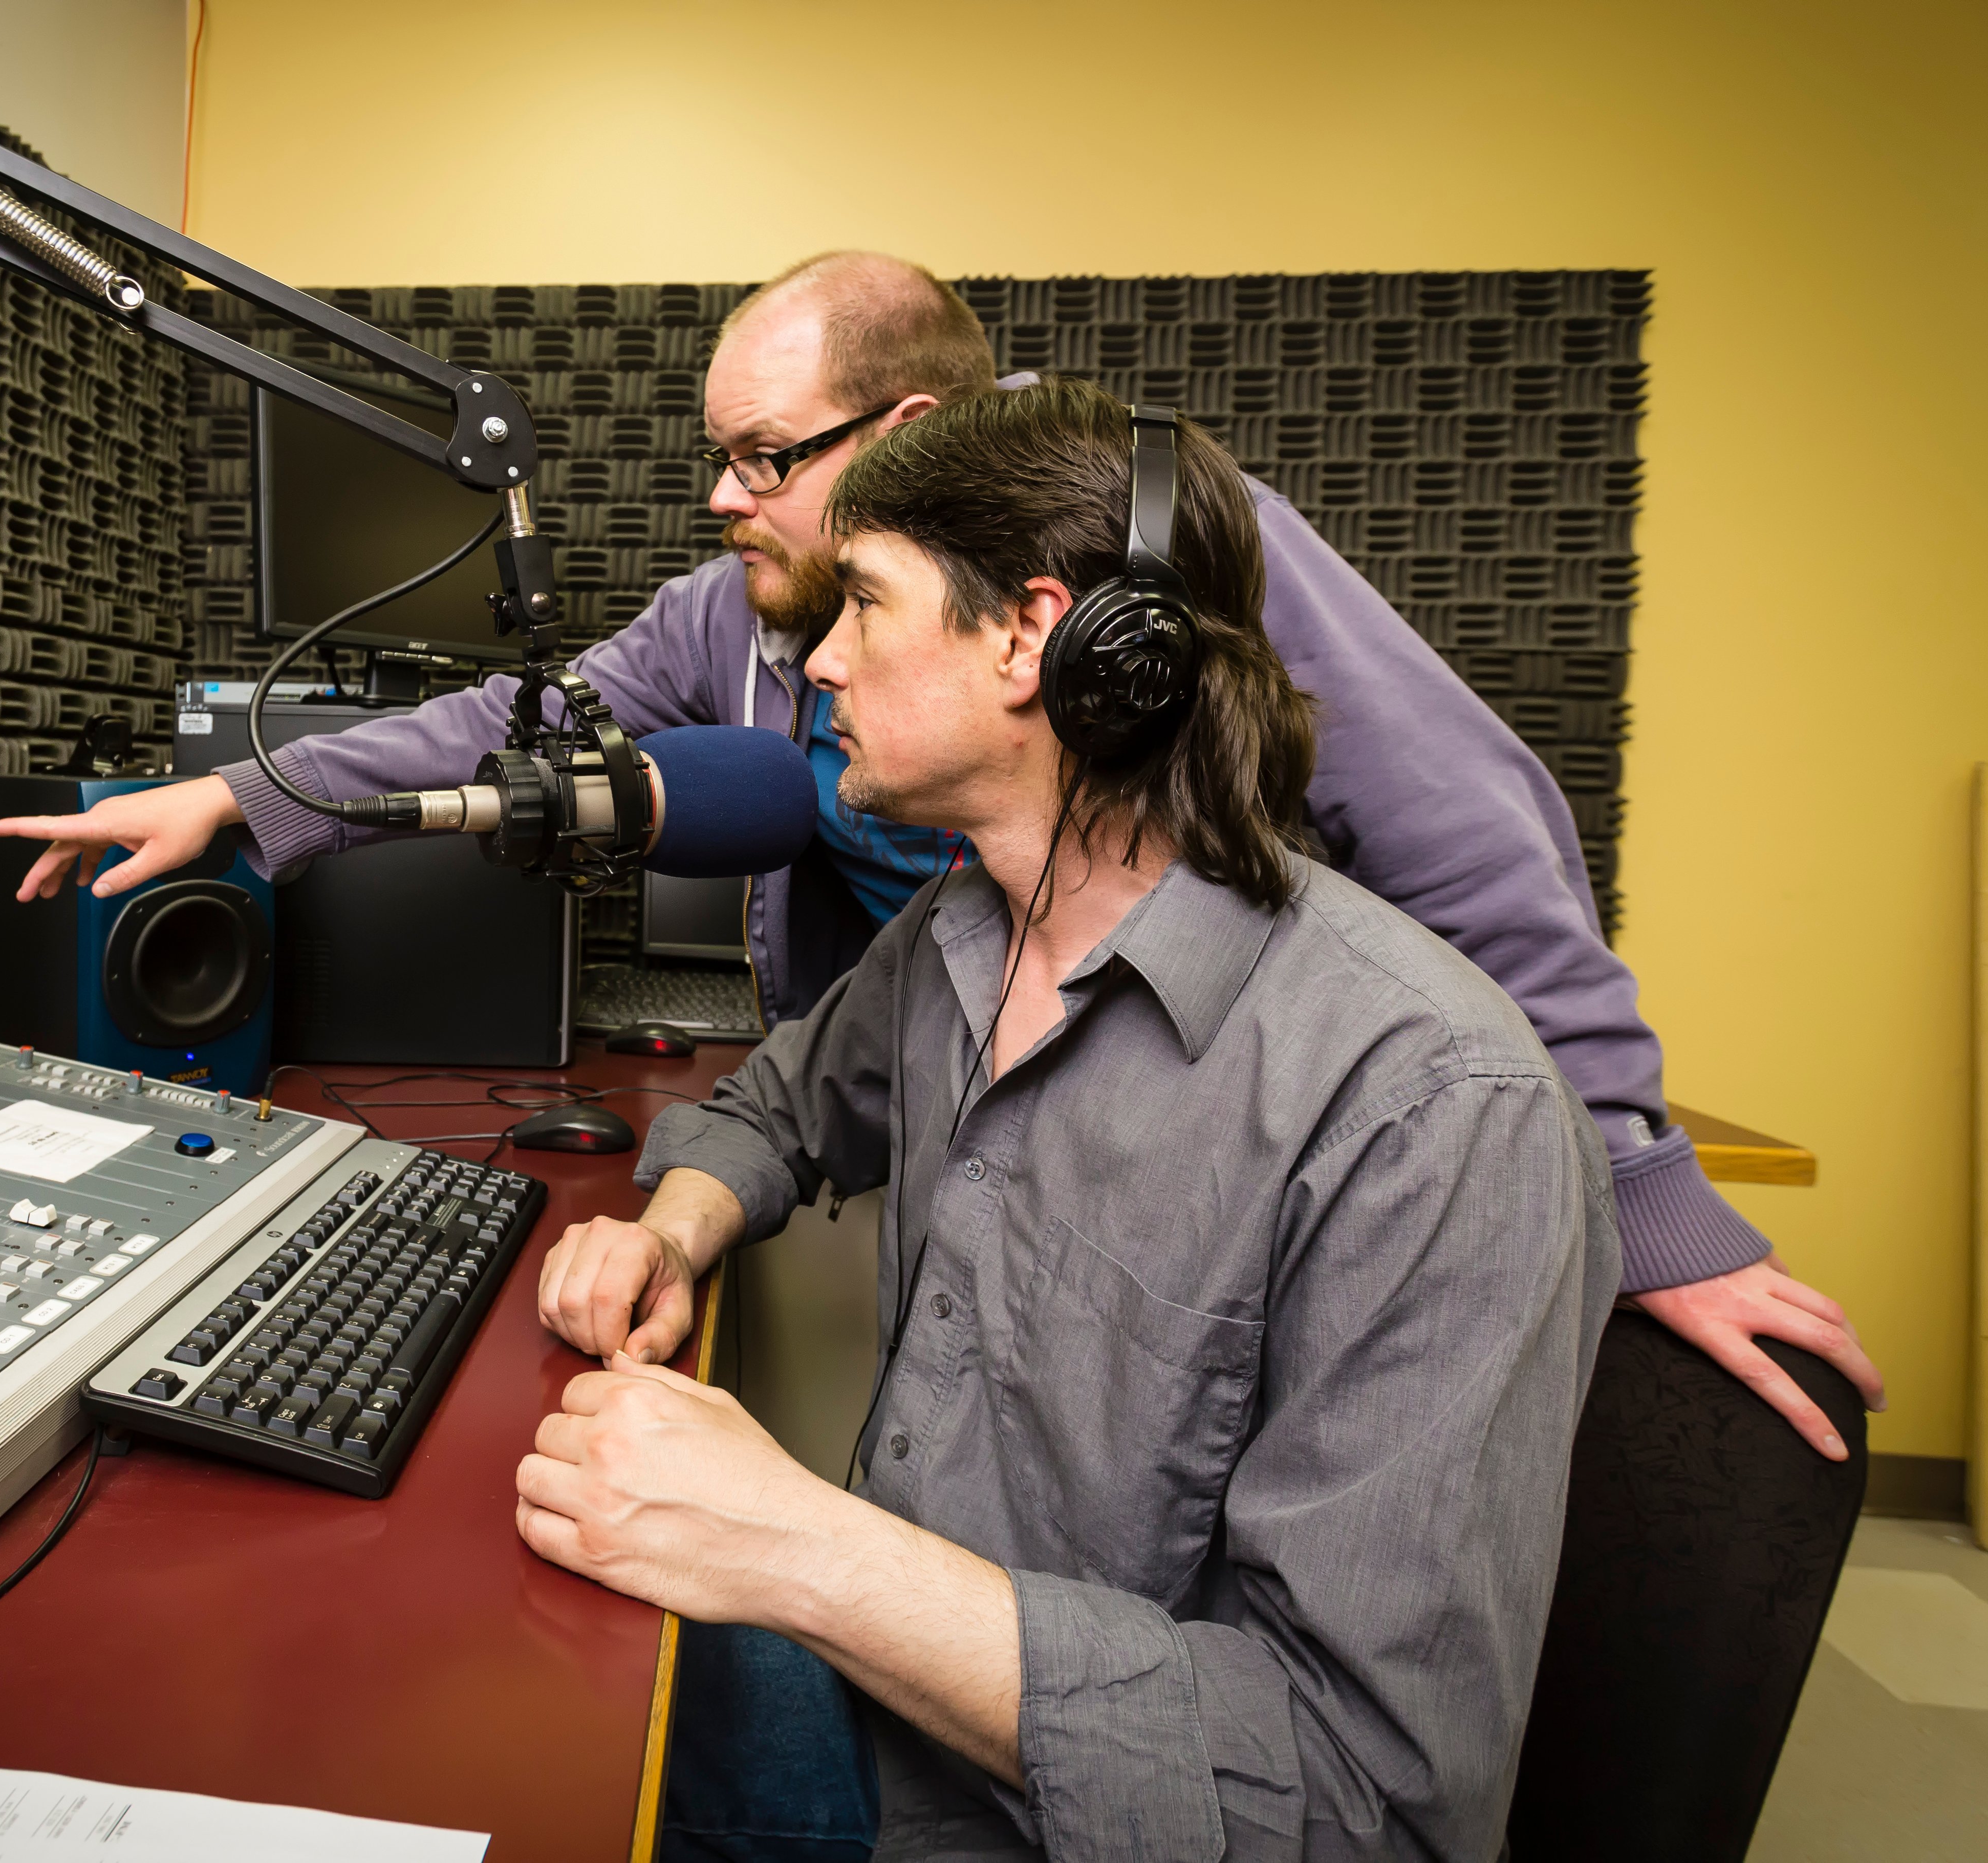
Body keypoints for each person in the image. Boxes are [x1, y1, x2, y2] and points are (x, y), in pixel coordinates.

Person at [0, 250, 1879, 1454]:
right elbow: (530, 730)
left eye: (760, 454)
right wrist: (251, 794)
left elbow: (1479, 851)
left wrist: (1624, 1185)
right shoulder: (733, 614)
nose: (721, 498)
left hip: (1195, 1147)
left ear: (908, 446)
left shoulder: (1178, 558)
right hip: (934, 1100)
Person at [515, 381, 1619, 1860]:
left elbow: (1368, 1809)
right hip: (875, 1708)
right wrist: (675, 1223)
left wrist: (796, 1549)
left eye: (864, 603)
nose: (822, 663)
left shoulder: (1432, 1111)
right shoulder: (960, 929)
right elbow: (778, 1106)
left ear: (1033, 635)